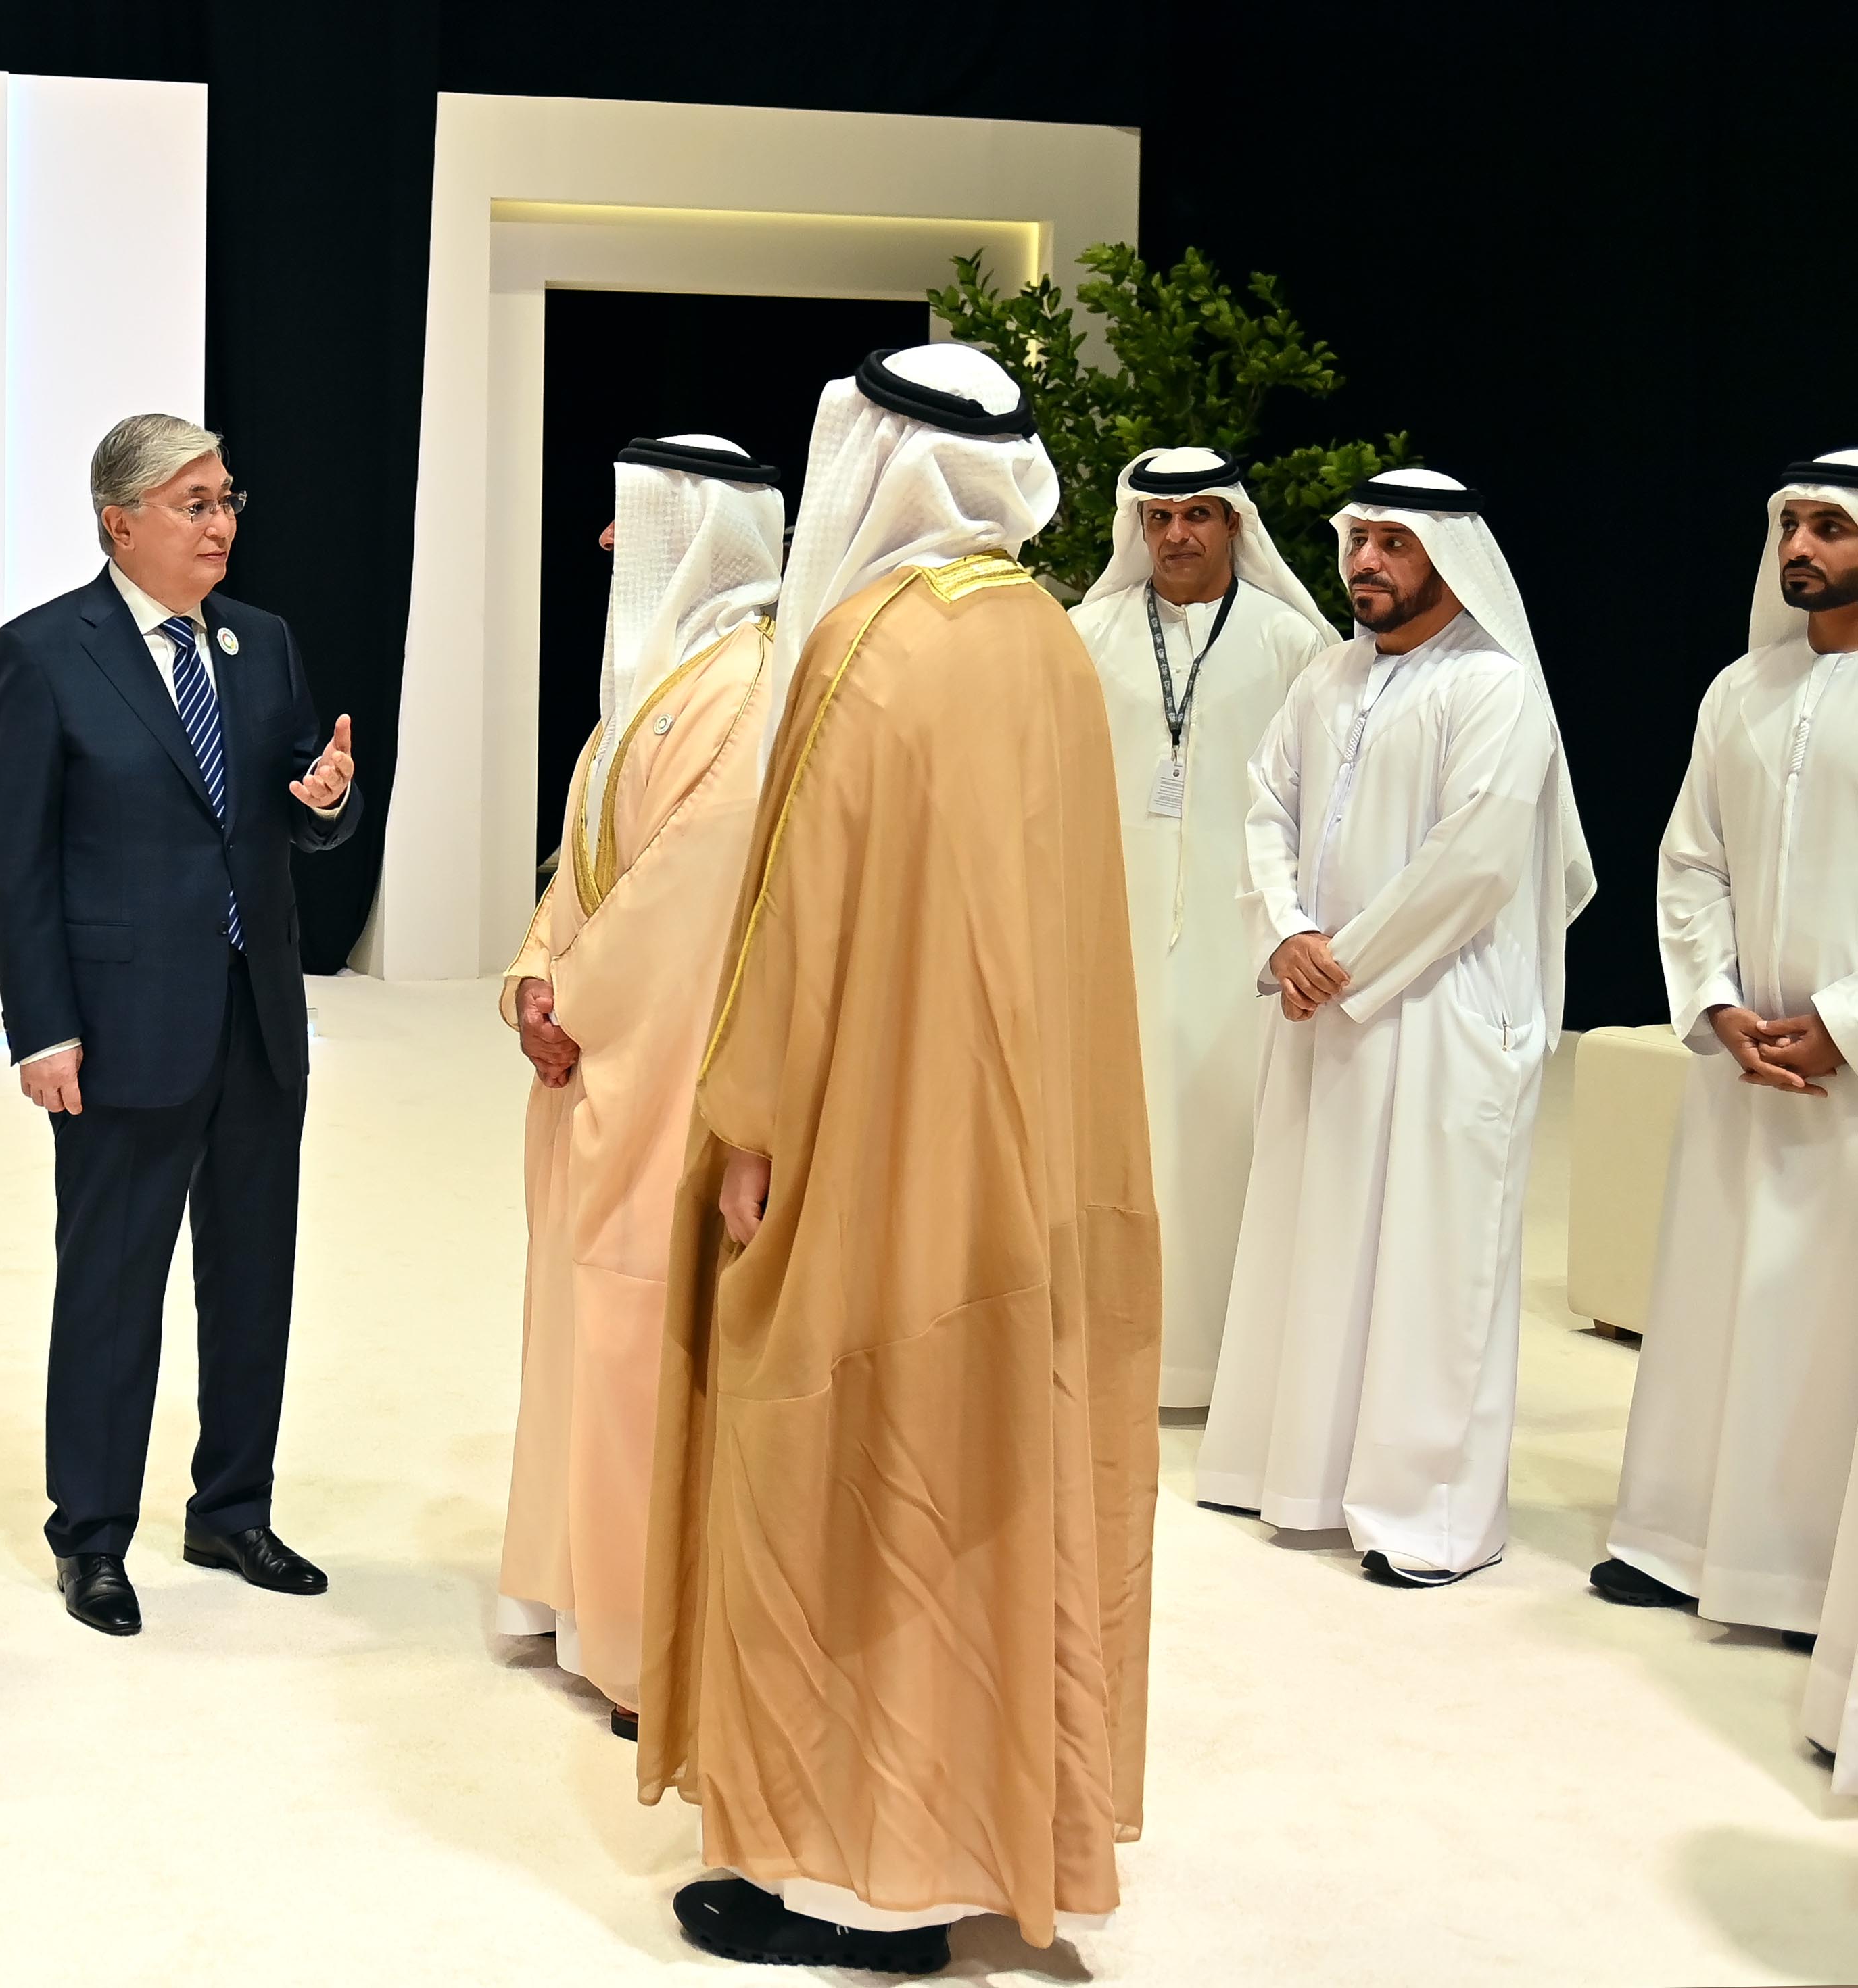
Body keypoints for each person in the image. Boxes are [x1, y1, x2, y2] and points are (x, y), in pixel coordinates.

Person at [640, 347, 1159, 1971]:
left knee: (836, 1467)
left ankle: (846, 1878)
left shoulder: (867, 643)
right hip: (1013, 1161)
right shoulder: (1048, 640)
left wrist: (748, 1126)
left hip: (871, 1148)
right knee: (985, 1473)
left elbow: (796, 923)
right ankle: (970, 1841)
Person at [0, 414, 362, 1637]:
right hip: (120, 1026)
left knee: (251, 1280)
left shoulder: (263, 640)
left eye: (227, 498)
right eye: (194, 503)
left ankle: (231, 1509)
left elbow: (298, 801)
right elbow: (18, 863)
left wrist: (326, 800)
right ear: (119, 522)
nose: (221, 522)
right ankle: (92, 1536)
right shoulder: (43, 652)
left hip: (256, 1018)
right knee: (111, 1288)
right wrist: (42, 1027)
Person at [1196, 470, 1596, 1587]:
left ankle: (1427, 1519)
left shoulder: (1493, 688)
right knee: (1314, 1239)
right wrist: (1285, 931)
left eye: (1392, 543)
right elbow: (1263, 808)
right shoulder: (1327, 676)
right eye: (1357, 539)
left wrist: (1340, 962)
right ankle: (1295, 1475)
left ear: (1447, 560)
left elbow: (1471, 860)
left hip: (1441, 1014)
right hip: (1325, 1007)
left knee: (1430, 1264)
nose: (1365, 561)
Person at [498, 435, 786, 1734]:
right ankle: (574, 1594)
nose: (609, 543)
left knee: (641, 1336)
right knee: (581, 1327)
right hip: (599, 1062)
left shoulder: (749, 684)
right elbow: (580, 869)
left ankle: (643, 1639)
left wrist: (579, 997)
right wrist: (533, 972)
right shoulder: (655, 680)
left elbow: (689, 898)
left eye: (635, 519)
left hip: (668, 1073)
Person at [1596, 453, 1858, 1656]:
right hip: (1741, 1059)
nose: (1798, 546)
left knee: (1819, 1322)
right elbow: (1689, 859)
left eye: (1828, 527)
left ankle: (1802, 1580)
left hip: (1844, 1075)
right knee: (1712, 1297)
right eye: (1789, 525)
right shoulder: (1739, 689)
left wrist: (1843, 1020)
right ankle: (1678, 1540)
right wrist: (1714, 1001)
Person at [1068, 449, 1339, 1408]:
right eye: (1158, 517)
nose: (1176, 533)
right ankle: (1110, 1355)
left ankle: (1225, 1364)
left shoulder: (1292, 643)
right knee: (1117, 1131)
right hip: (1110, 934)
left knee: (1230, 1137)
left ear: (1232, 524)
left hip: (1245, 943)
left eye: (1196, 514)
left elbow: (1320, 803)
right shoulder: (1086, 634)